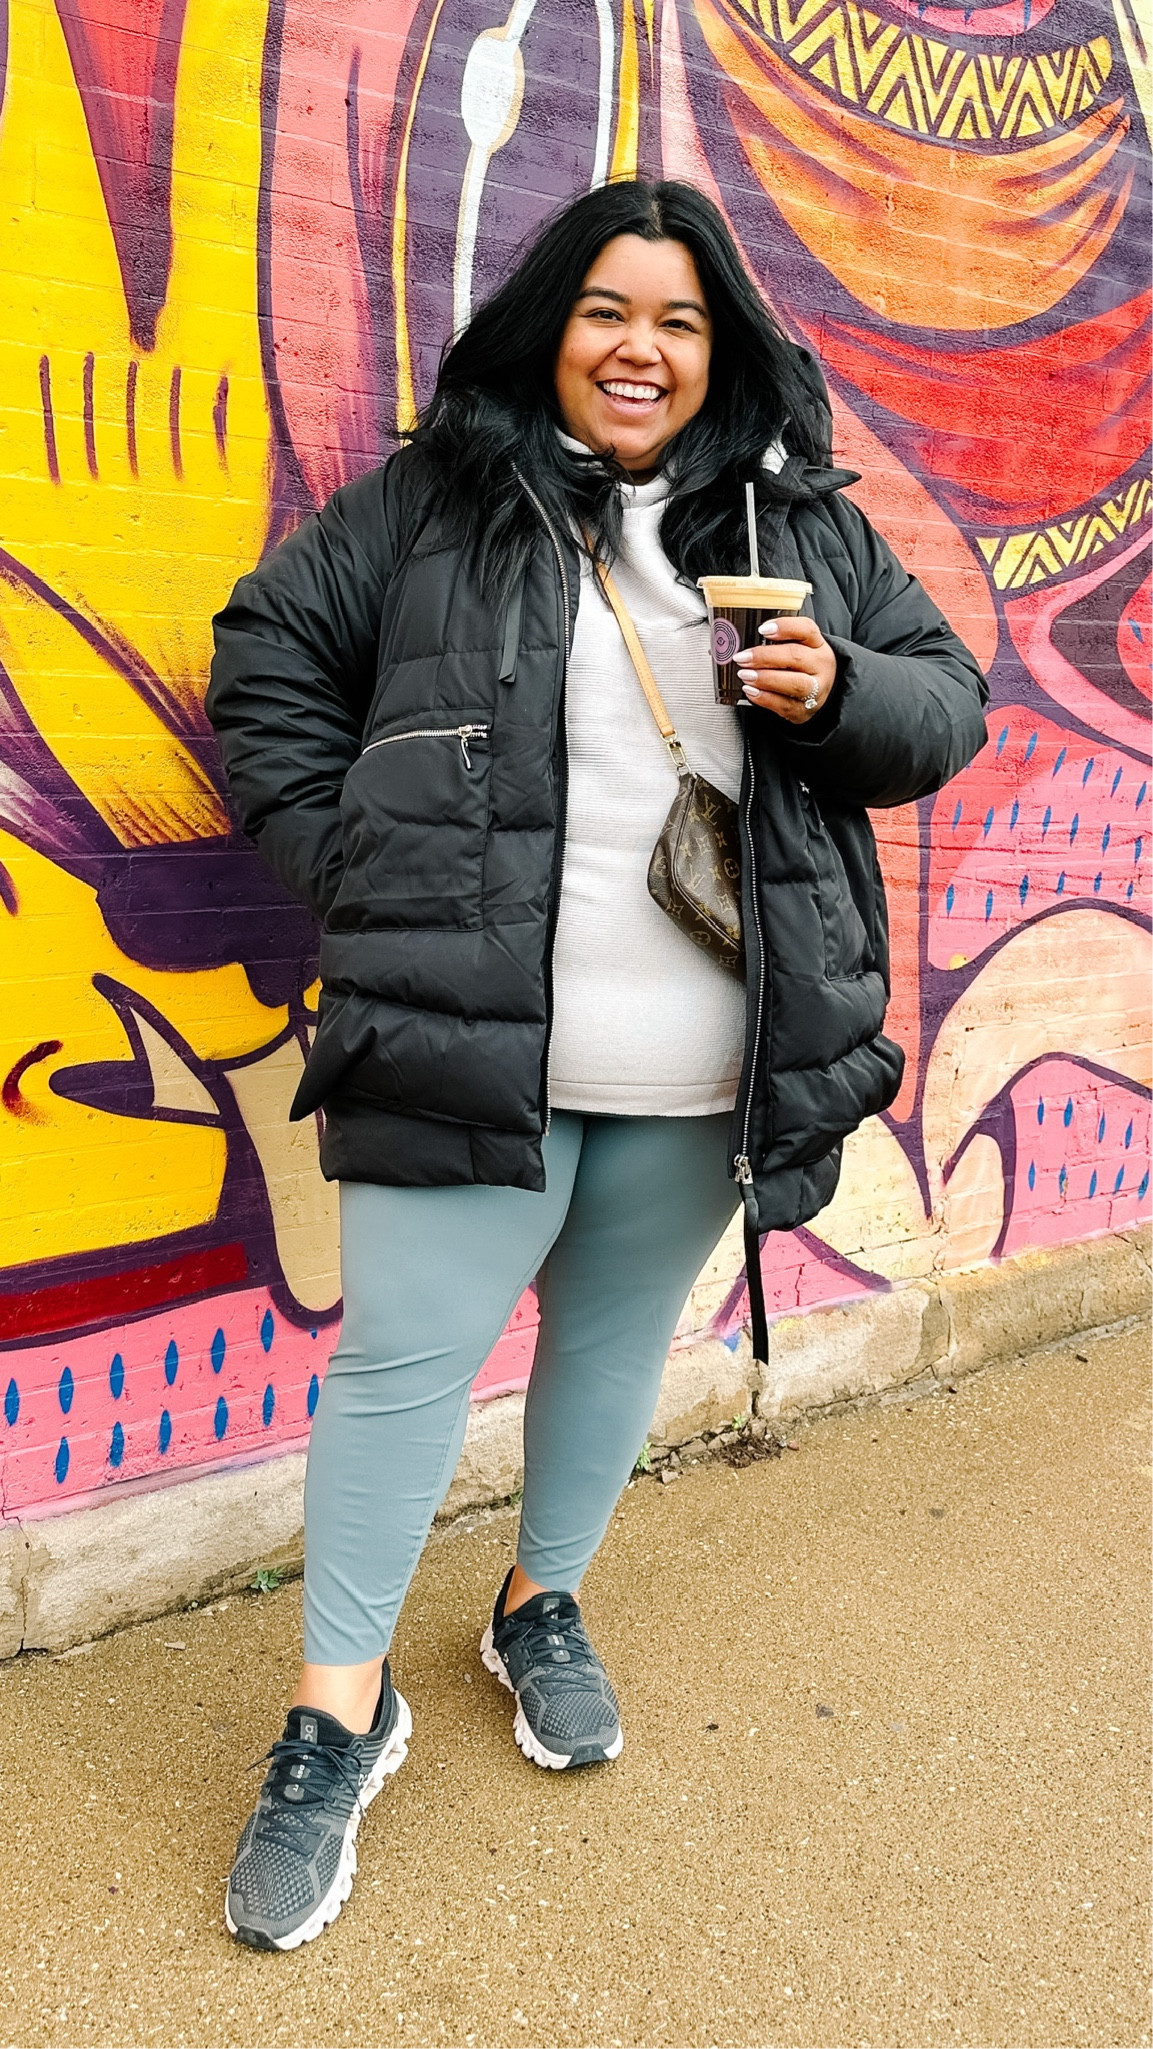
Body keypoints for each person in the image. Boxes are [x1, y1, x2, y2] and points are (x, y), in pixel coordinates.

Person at [206, 177, 987, 1950]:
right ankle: (340, 1711)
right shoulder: (436, 500)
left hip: (705, 1055)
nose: (640, 348)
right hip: (460, 1041)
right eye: (606, 312)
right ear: (551, 328)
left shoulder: (799, 521)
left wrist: (836, 682)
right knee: (402, 1364)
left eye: (679, 320)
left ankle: (535, 1603)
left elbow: (941, 705)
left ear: (719, 350)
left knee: (616, 1346)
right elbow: (265, 655)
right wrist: (356, 862)